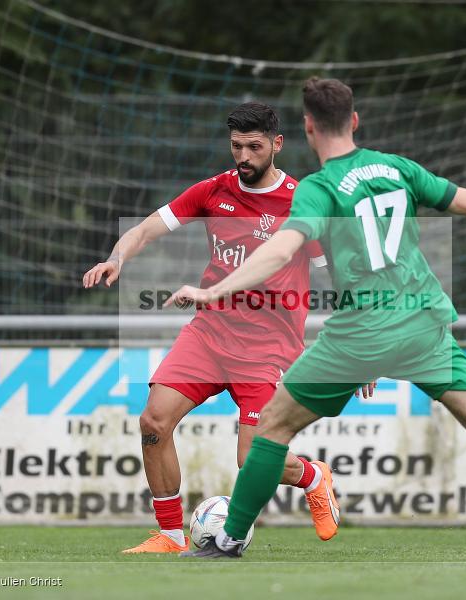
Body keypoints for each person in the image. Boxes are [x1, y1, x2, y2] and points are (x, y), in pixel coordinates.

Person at [169, 77, 466, 559]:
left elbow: (281, 250)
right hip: (423, 318)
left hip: (362, 330)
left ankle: (229, 539)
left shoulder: (319, 189)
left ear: (308, 127)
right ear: (354, 120)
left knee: (271, 431)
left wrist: (214, 290)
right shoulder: (397, 168)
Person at [83, 102, 362, 553]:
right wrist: (117, 258)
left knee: (252, 459)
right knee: (153, 420)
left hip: (268, 347)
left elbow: (342, 273)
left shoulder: (302, 202)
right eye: (236, 146)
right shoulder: (214, 191)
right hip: (209, 334)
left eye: (254, 147)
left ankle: (313, 477)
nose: (244, 156)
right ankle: (171, 536)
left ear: (277, 144)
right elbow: (147, 229)